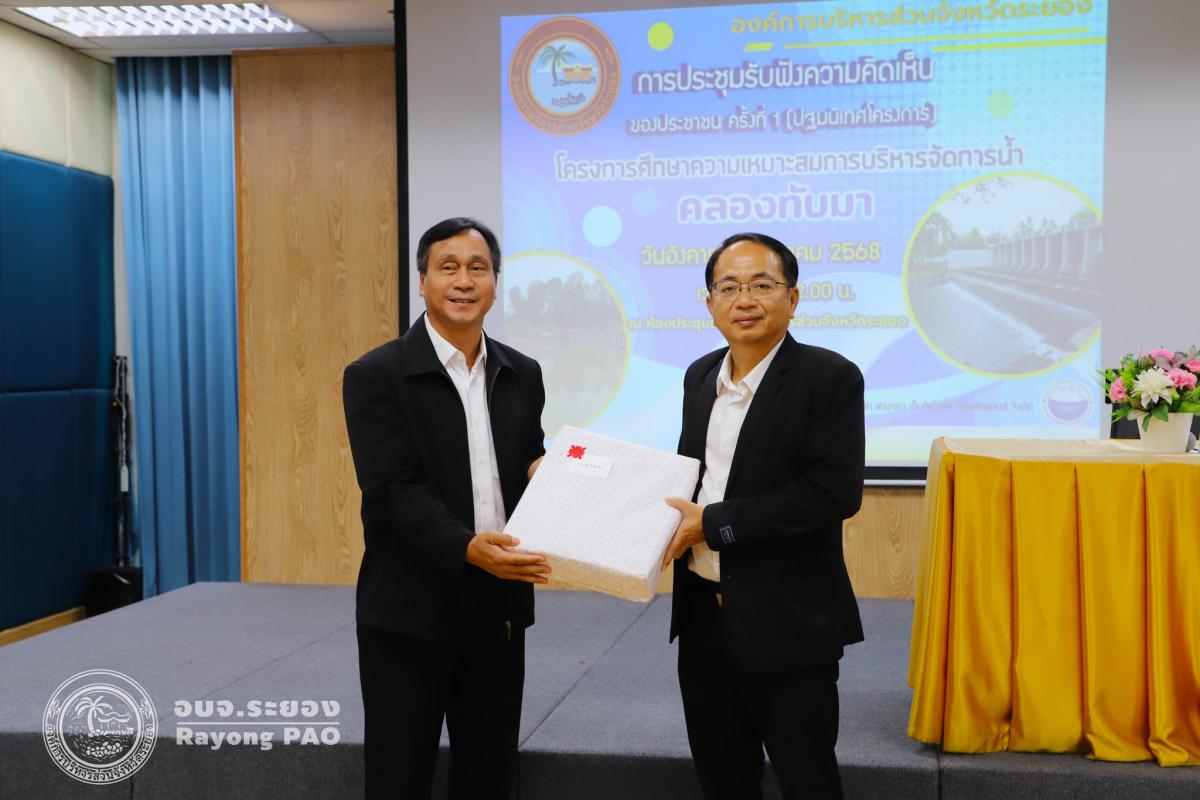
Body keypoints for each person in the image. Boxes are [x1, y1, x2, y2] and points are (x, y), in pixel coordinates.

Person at [342, 217, 551, 799]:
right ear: (422, 281)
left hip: (498, 610)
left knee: (488, 776)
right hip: (409, 613)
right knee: (399, 778)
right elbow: (394, 489)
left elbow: (527, 461)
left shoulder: (522, 372)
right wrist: (466, 547)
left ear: (495, 282)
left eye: (478, 268)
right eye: (448, 267)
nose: (464, 281)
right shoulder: (376, 375)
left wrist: (558, 480)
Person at [660, 232, 865, 799]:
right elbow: (693, 474)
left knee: (807, 779)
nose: (744, 300)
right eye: (728, 287)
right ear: (710, 303)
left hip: (788, 621)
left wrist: (713, 524)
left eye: (761, 285)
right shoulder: (700, 375)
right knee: (722, 778)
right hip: (703, 617)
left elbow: (832, 492)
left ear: (792, 298)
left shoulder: (829, 377)